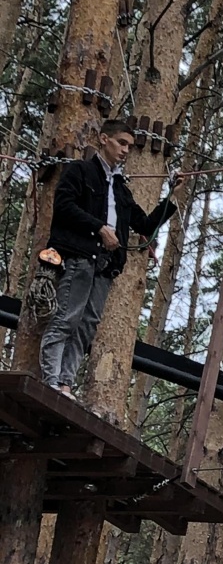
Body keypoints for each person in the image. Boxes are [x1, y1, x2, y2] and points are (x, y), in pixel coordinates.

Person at [38, 119, 176, 399]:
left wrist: (171, 194)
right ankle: (50, 380)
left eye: (129, 146)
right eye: (121, 143)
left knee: (87, 324)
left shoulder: (121, 190)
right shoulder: (80, 171)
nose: (126, 150)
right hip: (78, 256)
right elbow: (63, 207)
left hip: (105, 265)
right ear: (104, 139)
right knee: (67, 316)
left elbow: (145, 225)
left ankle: (65, 384)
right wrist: (99, 229)